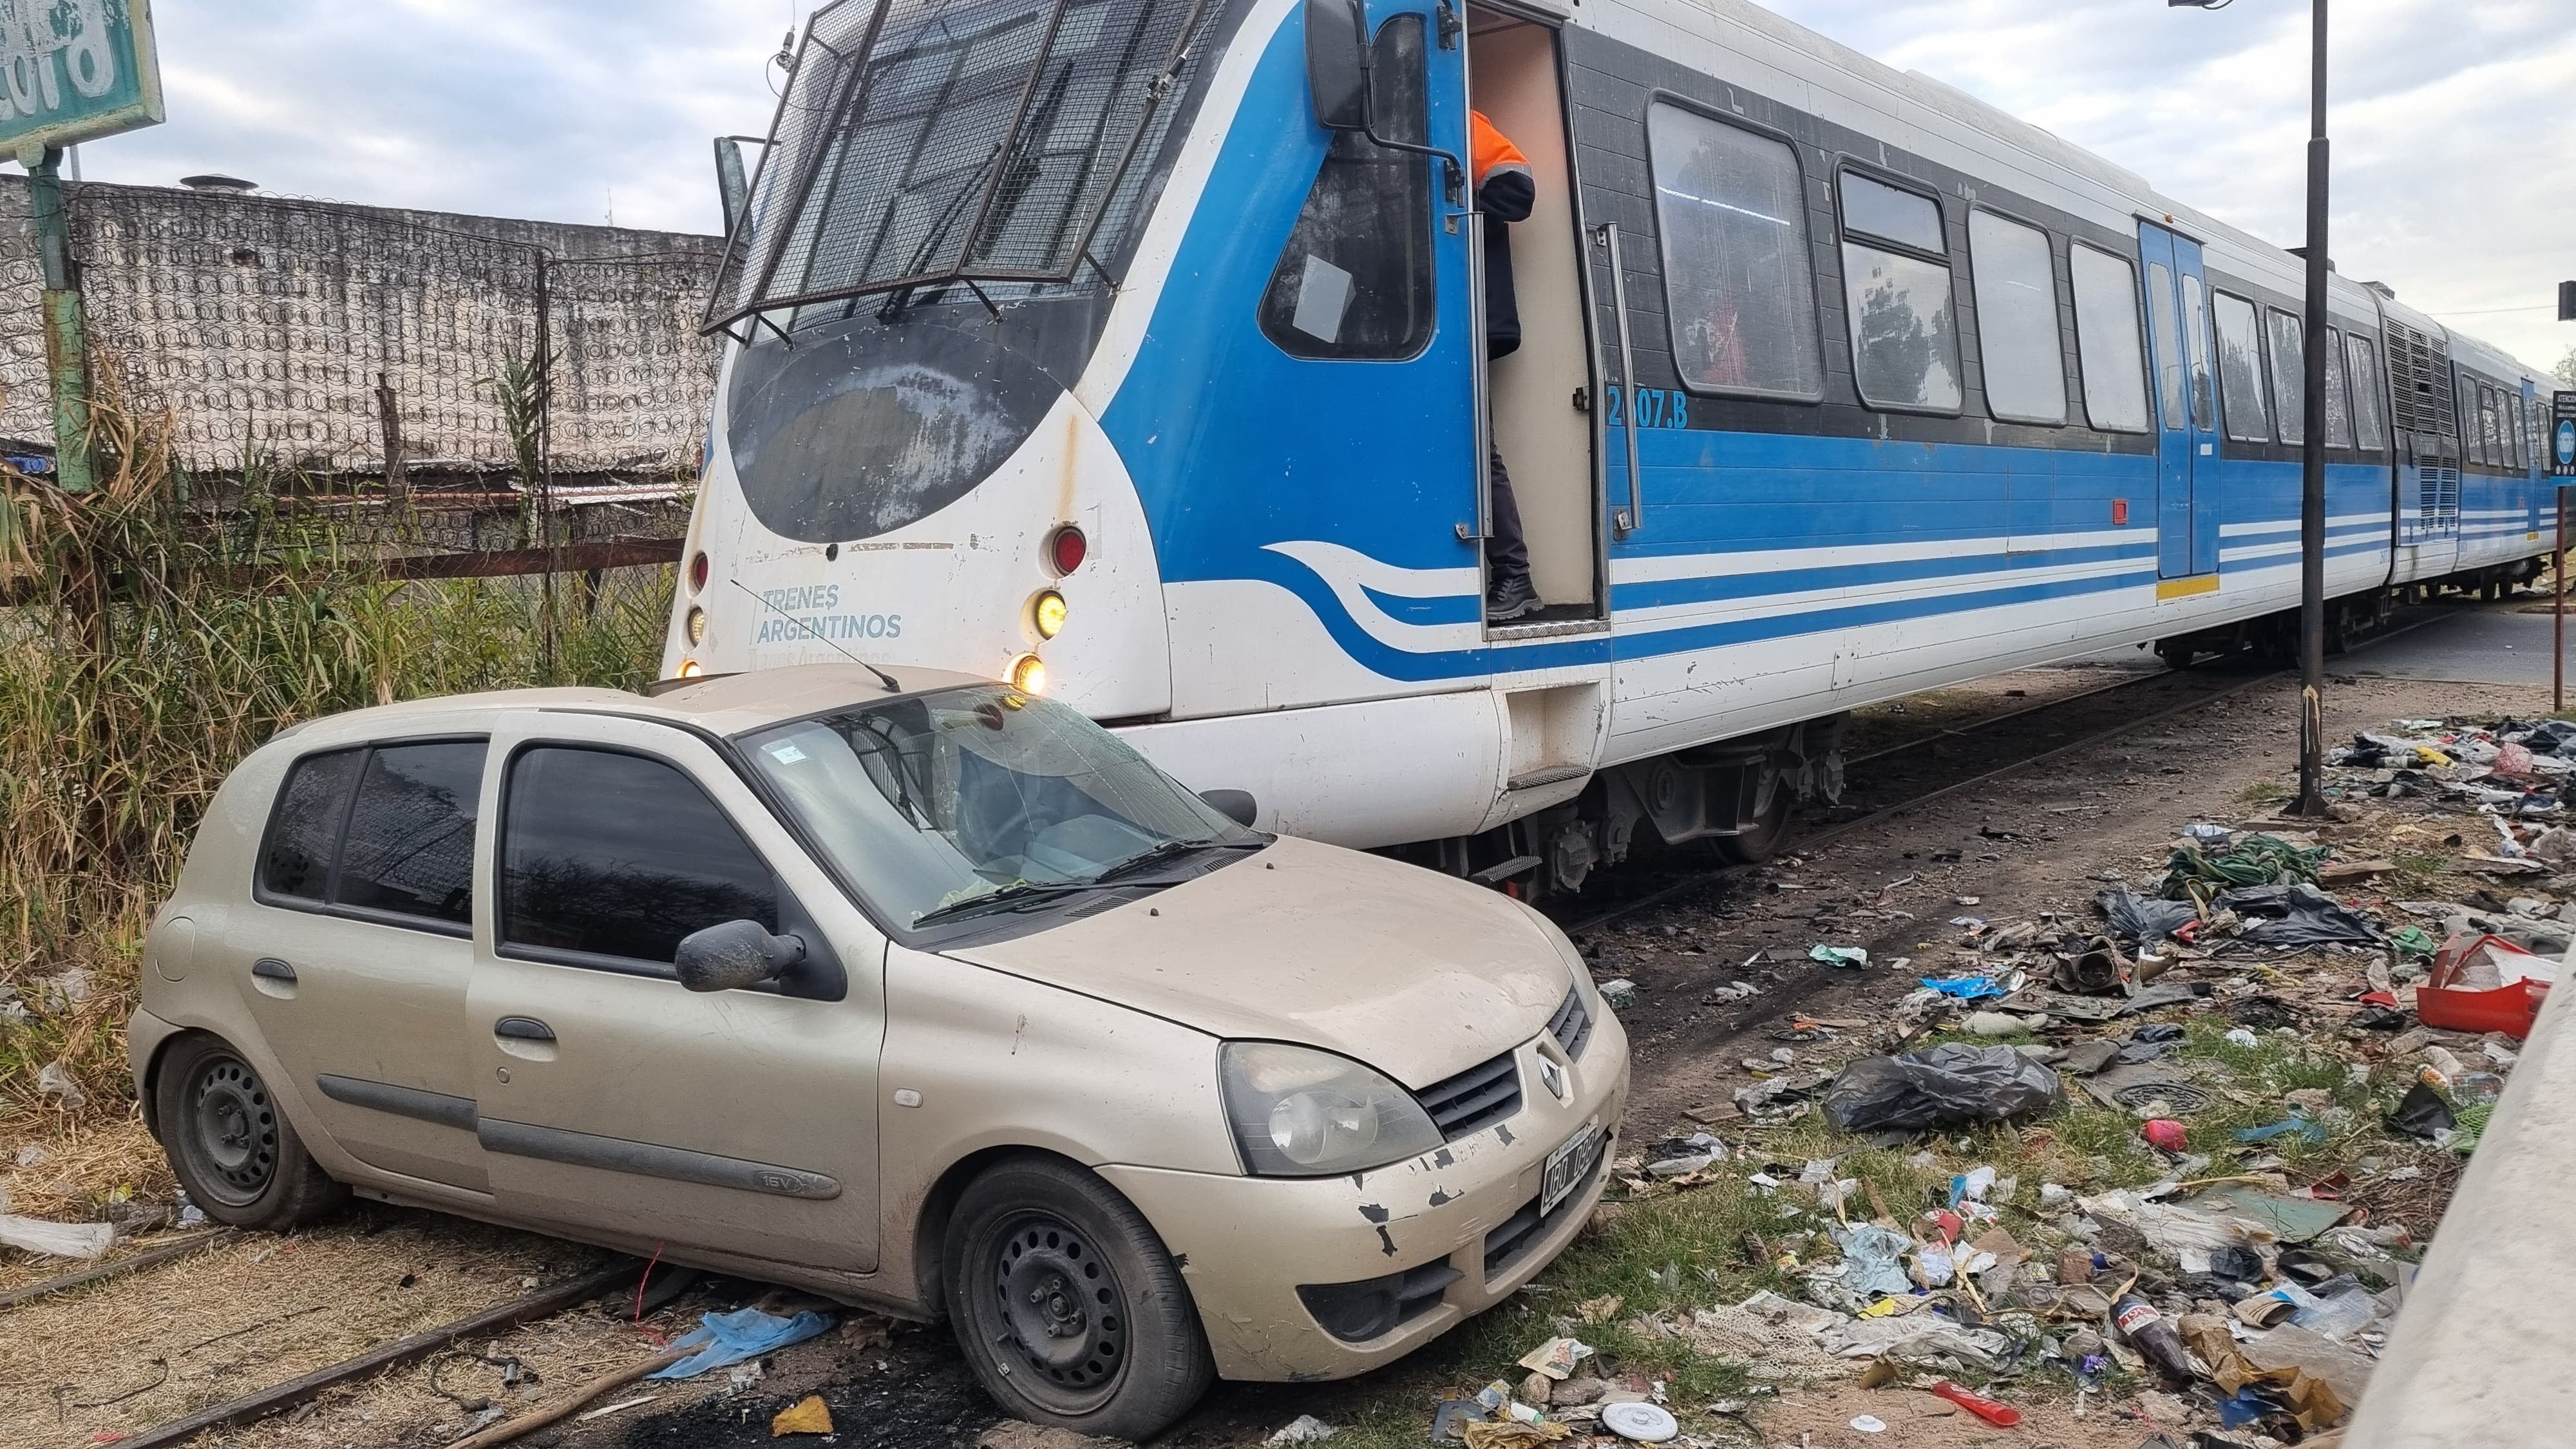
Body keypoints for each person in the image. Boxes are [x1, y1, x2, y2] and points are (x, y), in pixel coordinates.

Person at [1473, 109, 1538, 622]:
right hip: (1411, 316)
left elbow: (1517, 188)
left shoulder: (1452, 116)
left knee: (1473, 448)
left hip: (1462, 316)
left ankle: (1514, 577)